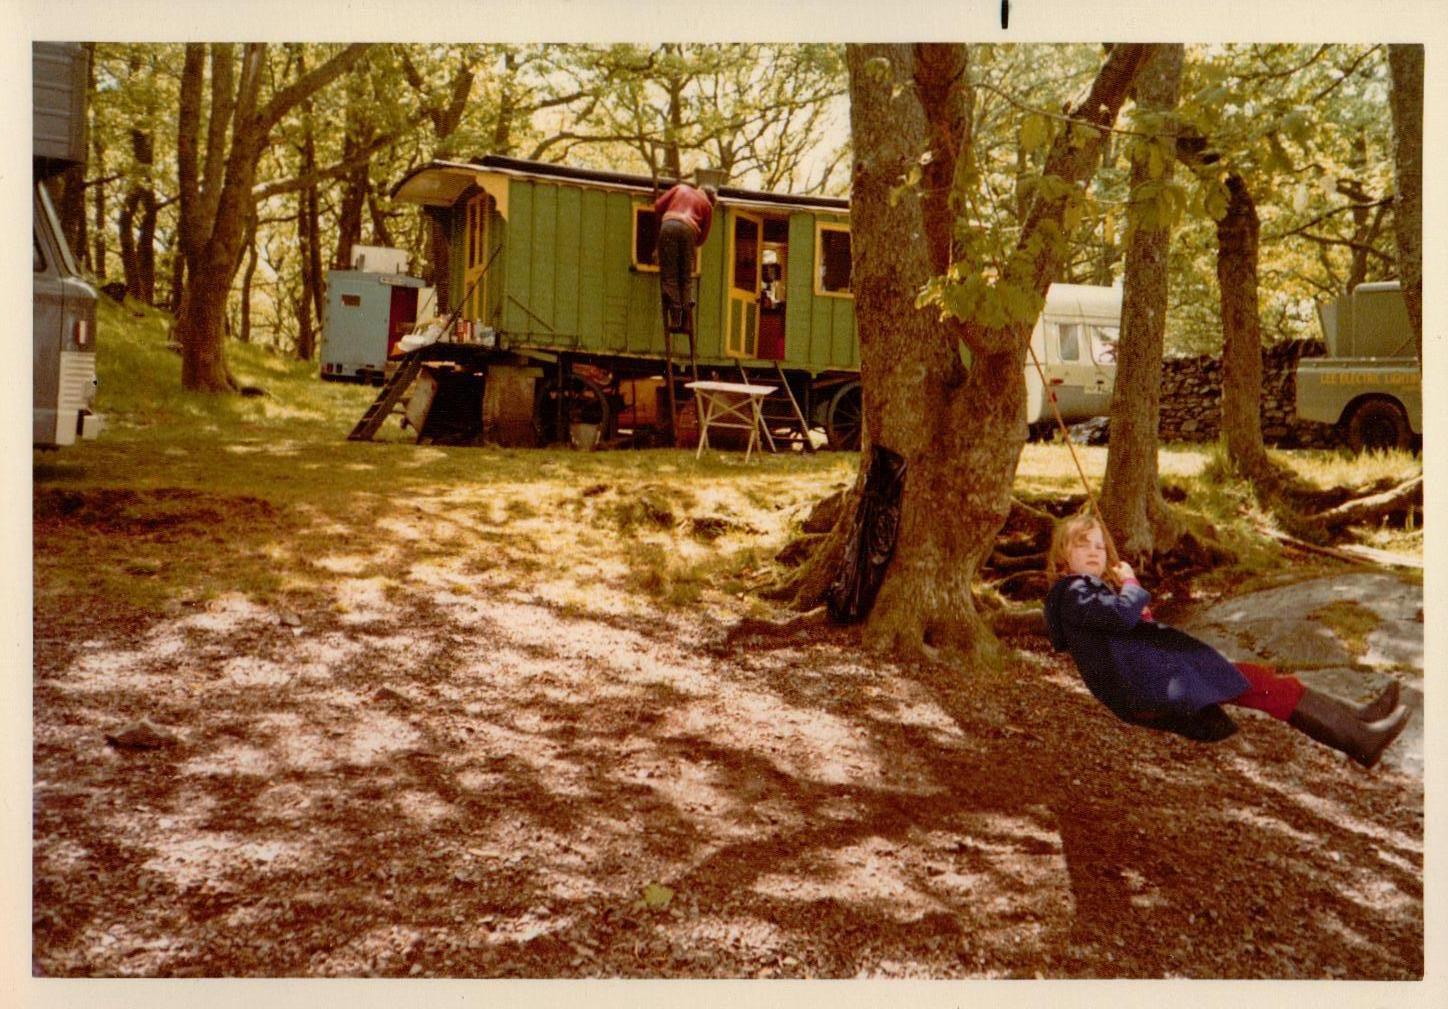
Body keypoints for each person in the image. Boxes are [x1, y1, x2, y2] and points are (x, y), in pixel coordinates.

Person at [1043, 513, 1410, 767]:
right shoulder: (1076, 591)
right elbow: (1120, 614)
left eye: (1099, 546)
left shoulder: (1080, 593)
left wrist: (1137, 610)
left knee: (1263, 681)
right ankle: (1360, 740)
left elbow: (1123, 624)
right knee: (1262, 684)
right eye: (1082, 545)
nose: (1095, 551)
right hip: (1153, 685)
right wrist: (1131, 586)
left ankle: (1357, 719)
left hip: (1155, 677)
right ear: (1063, 555)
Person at [653, 182, 717, 332]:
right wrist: (691, 242)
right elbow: (703, 238)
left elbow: (657, 206)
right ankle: (686, 321)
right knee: (685, 278)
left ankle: (675, 319)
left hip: (668, 226)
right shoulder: (707, 206)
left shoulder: (680, 188)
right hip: (690, 231)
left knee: (669, 275)